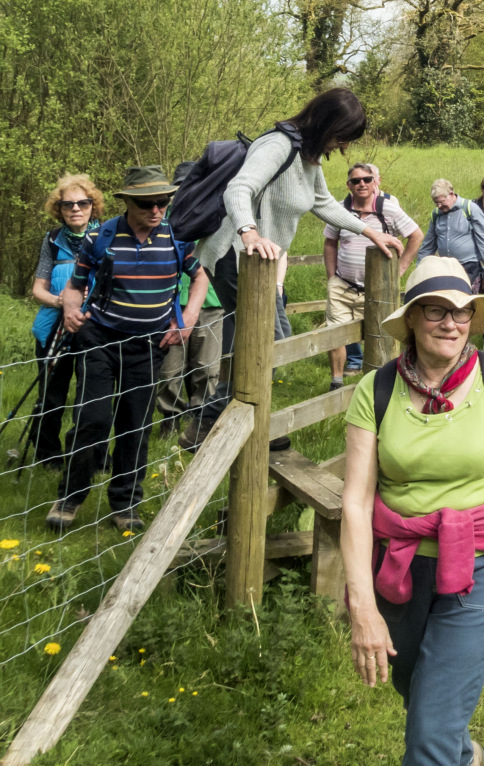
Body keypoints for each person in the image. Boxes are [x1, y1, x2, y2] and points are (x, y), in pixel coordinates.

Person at [341, 257, 484, 765]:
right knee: (415, 687)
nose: (451, 323)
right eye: (437, 311)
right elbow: (355, 501)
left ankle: (444, 750)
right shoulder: (374, 391)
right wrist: (362, 606)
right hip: (399, 565)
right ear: (414, 320)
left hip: (481, 563)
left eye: (462, 312)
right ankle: (463, 755)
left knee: (428, 735)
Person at [182, 87, 403, 451]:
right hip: (235, 256)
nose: (343, 147)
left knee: (254, 341)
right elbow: (238, 189)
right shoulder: (278, 146)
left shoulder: (308, 159)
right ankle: (213, 421)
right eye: (341, 137)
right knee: (266, 339)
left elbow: (323, 203)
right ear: (326, 123)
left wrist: (369, 231)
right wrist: (249, 232)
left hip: (258, 266)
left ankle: (246, 421)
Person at [46, 166, 209, 532]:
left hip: (149, 345)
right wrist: (72, 308)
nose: (156, 210)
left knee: (135, 425)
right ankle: (70, 497)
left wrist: (187, 318)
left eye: (162, 202)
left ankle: (125, 504)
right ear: (127, 203)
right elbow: (76, 284)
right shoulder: (102, 236)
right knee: (93, 420)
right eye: (146, 203)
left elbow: (199, 276)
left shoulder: (176, 236)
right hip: (100, 340)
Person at [325, 163, 423, 389]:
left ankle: (383, 385)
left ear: (375, 182)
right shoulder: (339, 210)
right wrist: (332, 277)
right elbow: (330, 242)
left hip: (378, 289)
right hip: (343, 285)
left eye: (367, 179)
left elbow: (416, 236)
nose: (362, 184)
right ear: (348, 185)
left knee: (381, 337)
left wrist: (400, 270)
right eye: (356, 180)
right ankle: (336, 383)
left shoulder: (388, 209)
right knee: (335, 333)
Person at [30, 174, 104, 470]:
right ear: (58, 209)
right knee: (51, 395)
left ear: (92, 206)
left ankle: (92, 456)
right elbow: (38, 289)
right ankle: (48, 455)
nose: (76, 208)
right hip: (53, 330)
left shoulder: (108, 237)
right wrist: (61, 301)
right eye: (68, 204)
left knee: (94, 398)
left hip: (96, 329)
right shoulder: (51, 241)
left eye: (82, 203)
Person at [157, 162, 224, 437]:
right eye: (183, 186)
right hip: (170, 304)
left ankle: (201, 416)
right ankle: (170, 417)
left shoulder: (219, 216)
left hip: (212, 301)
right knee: (169, 368)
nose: (190, 191)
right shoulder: (162, 219)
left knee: (206, 366)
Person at [418, 179, 484, 296]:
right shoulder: (436, 215)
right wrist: (419, 270)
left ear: (451, 194)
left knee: (465, 305)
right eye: (436, 203)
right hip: (446, 269)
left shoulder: (470, 209)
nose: (439, 206)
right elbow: (428, 246)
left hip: (469, 268)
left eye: (442, 202)